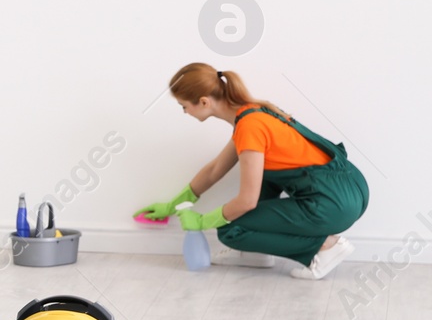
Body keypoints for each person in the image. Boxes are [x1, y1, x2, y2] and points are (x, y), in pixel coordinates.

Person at [136, 63, 368, 280]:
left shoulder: (249, 127)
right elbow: (215, 170)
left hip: (333, 203)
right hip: (349, 191)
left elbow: (247, 201)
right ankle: (254, 253)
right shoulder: (253, 114)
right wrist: (172, 205)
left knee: (230, 231)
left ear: (204, 102)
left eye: (184, 106)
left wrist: (203, 222)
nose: (185, 112)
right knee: (263, 175)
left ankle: (325, 246)